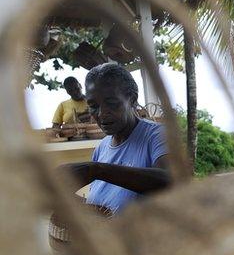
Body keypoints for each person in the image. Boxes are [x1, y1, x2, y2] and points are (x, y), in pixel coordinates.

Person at [60, 63, 171, 213]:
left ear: (132, 99)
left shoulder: (157, 135)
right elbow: (104, 206)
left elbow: (171, 181)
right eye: (93, 105)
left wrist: (96, 170)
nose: (101, 113)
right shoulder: (102, 148)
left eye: (111, 103)